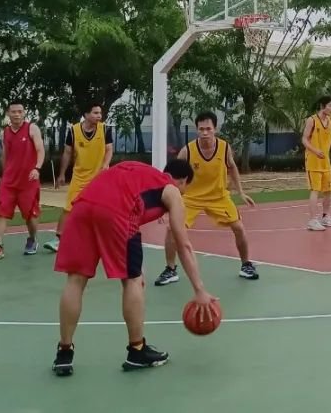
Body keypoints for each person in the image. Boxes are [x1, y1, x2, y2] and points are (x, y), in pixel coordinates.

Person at [51, 159, 217, 375]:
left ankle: (64, 353)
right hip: (117, 212)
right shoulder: (172, 190)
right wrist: (199, 289)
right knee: (133, 280)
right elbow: (182, 244)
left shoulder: (140, 171)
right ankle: (137, 350)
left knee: (75, 280)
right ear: (183, 181)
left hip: (82, 207)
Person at [153, 111, 258, 285]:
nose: (205, 132)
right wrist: (165, 206)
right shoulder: (187, 151)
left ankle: (246, 265)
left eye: (208, 129)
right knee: (171, 229)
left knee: (239, 227)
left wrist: (240, 192)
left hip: (218, 197)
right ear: (197, 130)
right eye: (201, 129)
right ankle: (170, 270)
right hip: (191, 198)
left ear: (215, 129)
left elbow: (232, 167)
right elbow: (171, 176)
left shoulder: (224, 148)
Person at [45, 105, 114, 253]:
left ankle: (104, 239)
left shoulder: (105, 129)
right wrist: (62, 174)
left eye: (100, 113)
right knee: (69, 208)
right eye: (95, 113)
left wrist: (106, 164)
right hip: (79, 177)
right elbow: (67, 153)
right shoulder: (74, 131)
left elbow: (109, 149)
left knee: (102, 209)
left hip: (99, 177)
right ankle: (59, 239)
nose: (99, 115)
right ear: (86, 114)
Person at [0, 102, 45, 260]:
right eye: (13, 111)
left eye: (20, 111)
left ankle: (32, 239)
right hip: (9, 182)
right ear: (8, 113)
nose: (17, 114)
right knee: (0, 213)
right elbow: (5, 154)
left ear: (24, 113)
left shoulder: (32, 129)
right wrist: (4, 174)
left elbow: (40, 150)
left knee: (30, 216)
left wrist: (37, 168)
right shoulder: (5, 132)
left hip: (28, 181)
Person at [303, 96, 331, 231]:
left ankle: (326, 216)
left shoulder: (329, 121)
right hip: (313, 161)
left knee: (328, 190)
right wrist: (315, 150)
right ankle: (312, 220)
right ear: (323, 106)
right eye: (330, 105)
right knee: (315, 190)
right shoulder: (312, 120)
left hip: (325, 162)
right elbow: (304, 139)